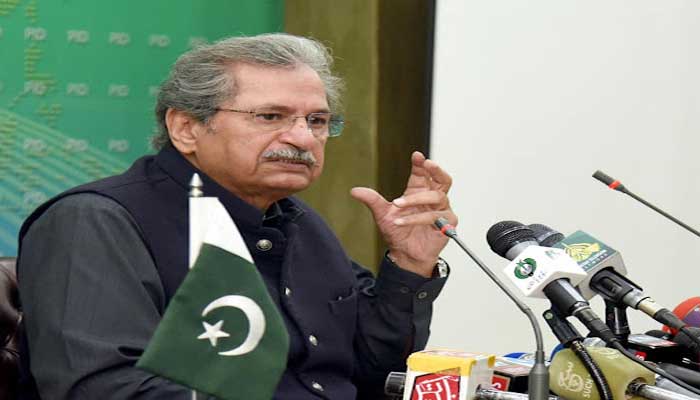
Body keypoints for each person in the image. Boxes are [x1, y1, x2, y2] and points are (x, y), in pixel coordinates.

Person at [16, 33, 457, 399]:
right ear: (186, 128)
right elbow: (102, 388)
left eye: (318, 121)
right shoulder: (95, 221)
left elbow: (373, 372)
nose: (303, 138)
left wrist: (409, 264)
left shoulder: (298, 221)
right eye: (271, 116)